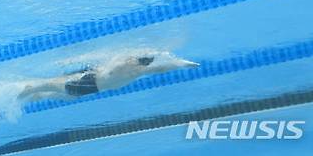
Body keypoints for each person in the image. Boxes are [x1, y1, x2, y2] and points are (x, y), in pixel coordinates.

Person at [17, 50, 199, 103]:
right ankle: (30, 90)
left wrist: (182, 64)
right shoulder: (130, 67)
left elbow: (161, 69)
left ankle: (37, 94)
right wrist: (181, 63)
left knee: (59, 91)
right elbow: (160, 68)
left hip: (90, 84)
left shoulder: (131, 66)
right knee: (53, 87)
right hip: (88, 84)